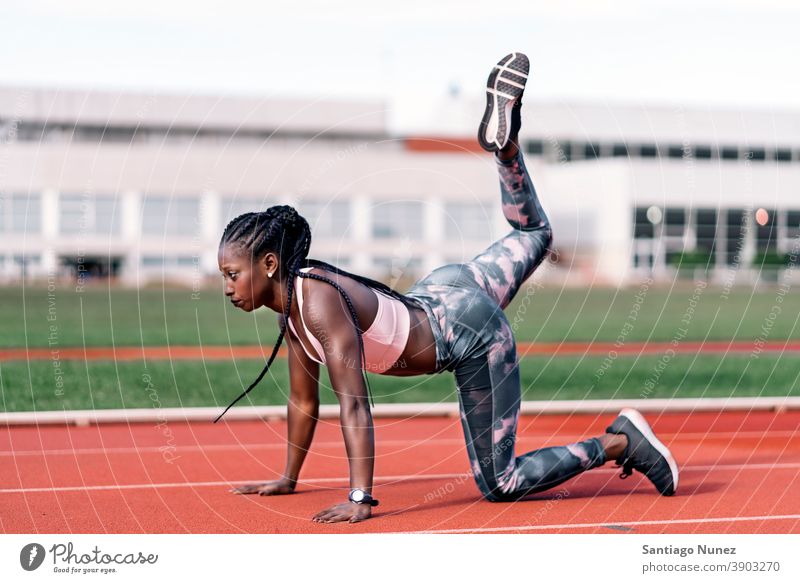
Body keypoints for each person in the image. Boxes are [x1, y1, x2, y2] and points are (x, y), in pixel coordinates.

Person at [217, 52, 679, 524]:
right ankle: (506, 152)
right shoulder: (292, 310)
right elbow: (304, 401)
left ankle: (620, 441)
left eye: (233, 274)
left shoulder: (315, 303)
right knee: (533, 235)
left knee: (502, 483)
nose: (228, 287)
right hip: (445, 290)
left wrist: (360, 499)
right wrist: (288, 479)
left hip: (467, 331)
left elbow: (354, 404)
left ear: (270, 264)